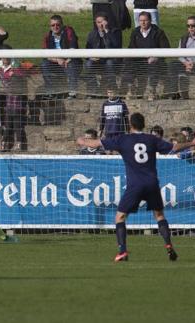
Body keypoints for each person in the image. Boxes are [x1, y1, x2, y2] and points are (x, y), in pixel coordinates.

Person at [77, 112, 195, 262]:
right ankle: (169, 246)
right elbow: (174, 147)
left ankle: (122, 251)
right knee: (159, 215)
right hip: (152, 183)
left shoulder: (123, 139)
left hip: (135, 184)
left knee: (120, 217)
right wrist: (192, 143)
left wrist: (81, 141)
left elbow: (95, 144)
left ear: (130, 125)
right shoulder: (152, 139)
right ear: (143, 124)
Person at [122, 11, 170, 101]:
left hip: (155, 62)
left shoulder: (158, 32)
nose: (143, 23)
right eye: (141, 20)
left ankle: (152, 91)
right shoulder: (135, 32)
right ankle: (130, 88)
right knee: (128, 61)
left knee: (154, 65)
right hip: (139, 62)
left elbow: (166, 48)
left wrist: (156, 57)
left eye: (145, 20)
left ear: (150, 21)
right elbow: (131, 48)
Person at [41, 15, 81, 99]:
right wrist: (57, 60)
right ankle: (50, 92)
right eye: (53, 25)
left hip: (70, 60)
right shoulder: (48, 36)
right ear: (50, 26)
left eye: (57, 24)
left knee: (71, 65)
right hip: (56, 62)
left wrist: (67, 60)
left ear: (62, 25)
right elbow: (45, 54)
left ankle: (72, 93)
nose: (55, 27)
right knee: (44, 64)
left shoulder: (68, 31)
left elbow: (73, 47)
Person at [84, 13, 122, 96]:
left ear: (107, 22)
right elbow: (87, 50)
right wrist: (91, 57)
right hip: (97, 60)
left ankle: (111, 89)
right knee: (88, 64)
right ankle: (92, 91)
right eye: (98, 22)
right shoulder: (92, 34)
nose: (101, 24)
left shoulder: (115, 32)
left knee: (109, 63)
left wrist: (107, 31)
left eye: (102, 22)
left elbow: (116, 45)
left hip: (111, 59)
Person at [167, 16, 195, 100]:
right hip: (186, 64)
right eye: (188, 26)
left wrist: (192, 63)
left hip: (193, 64)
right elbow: (179, 54)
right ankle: (174, 93)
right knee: (172, 64)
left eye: (193, 26)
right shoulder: (184, 38)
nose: (190, 28)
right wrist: (186, 63)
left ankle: (185, 92)